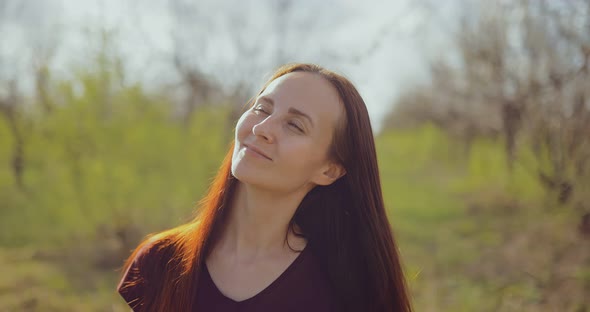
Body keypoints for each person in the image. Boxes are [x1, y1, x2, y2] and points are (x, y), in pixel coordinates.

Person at [117, 63, 413, 312]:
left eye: (295, 125)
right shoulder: (160, 261)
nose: (262, 128)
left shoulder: (345, 291)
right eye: (262, 108)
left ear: (329, 170)